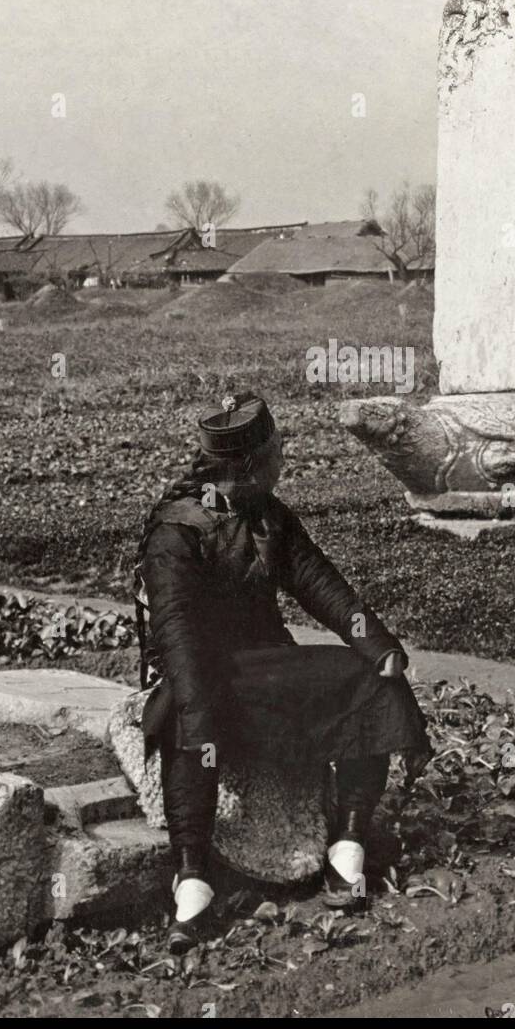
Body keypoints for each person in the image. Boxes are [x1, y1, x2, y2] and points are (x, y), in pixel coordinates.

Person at [134, 391, 431, 953]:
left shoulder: (268, 515)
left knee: (369, 681)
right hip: (195, 670)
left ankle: (348, 846)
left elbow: (320, 584)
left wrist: (378, 645)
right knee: (183, 713)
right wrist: (200, 719)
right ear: (245, 467)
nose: (282, 462)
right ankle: (192, 879)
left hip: (264, 666)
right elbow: (176, 638)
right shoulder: (174, 533)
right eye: (274, 454)